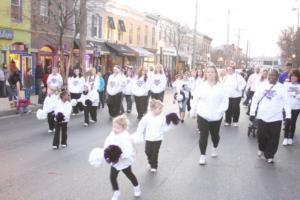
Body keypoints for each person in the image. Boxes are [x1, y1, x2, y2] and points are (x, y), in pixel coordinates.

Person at [250, 70, 291, 163]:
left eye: (273, 75)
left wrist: (288, 116)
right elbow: (255, 99)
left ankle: (270, 155)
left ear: (277, 77)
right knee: (261, 135)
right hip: (262, 116)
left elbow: (287, 102)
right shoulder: (262, 85)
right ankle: (261, 148)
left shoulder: (282, 88)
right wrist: (252, 113)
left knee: (274, 137)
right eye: (269, 75)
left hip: (276, 117)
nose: (271, 77)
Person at [191, 66, 229, 165]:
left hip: (216, 116)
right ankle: (202, 156)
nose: (210, 74)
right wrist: (193, 111)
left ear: (216, 74)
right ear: (205, 74)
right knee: (203, 135)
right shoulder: (201, 86)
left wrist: (221, 111)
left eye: (212, 72)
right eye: (208, 72)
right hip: (203, 115)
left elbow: (225, 101)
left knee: (215, 136)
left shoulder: (221, 87)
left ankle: (214, 147)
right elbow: (195, 99)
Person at [104, 115, 141, 200]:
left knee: (129, 174)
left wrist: (120, 155)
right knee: (112, 177)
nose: (114, 129)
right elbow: (107, 143)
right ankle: (116, 192)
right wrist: (107, 152)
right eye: (113, 126)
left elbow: (128, 151)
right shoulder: (112, 134)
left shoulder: (125, 137)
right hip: (114, 161)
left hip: (124, 161)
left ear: (124, 128)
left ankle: (137, 187)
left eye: (117, 128)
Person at [134, 99, 177, 172]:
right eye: (159, 108)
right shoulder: (147, 117)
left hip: (158, 138)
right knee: (147, 151)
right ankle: (150, 161)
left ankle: (154, 166)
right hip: (148, 138)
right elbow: (141, 125)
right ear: (153, 109)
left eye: (161, 109)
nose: (161, 110)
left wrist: (171, 126)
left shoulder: (162, 117)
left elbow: (164, 128)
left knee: (154, 152)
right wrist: (139, 134)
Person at [283, 70, 300, 146]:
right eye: (292, 76)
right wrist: (295, 94)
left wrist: (296, 95)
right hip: (287, 107)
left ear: (298, 77)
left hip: (296, 107)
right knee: (287, 122)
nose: (293, 77)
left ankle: (291, 137)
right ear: (290, 77)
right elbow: (284, 95)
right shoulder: (286, 84)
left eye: (295, 76)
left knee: (293, 123)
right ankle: (285, 137)